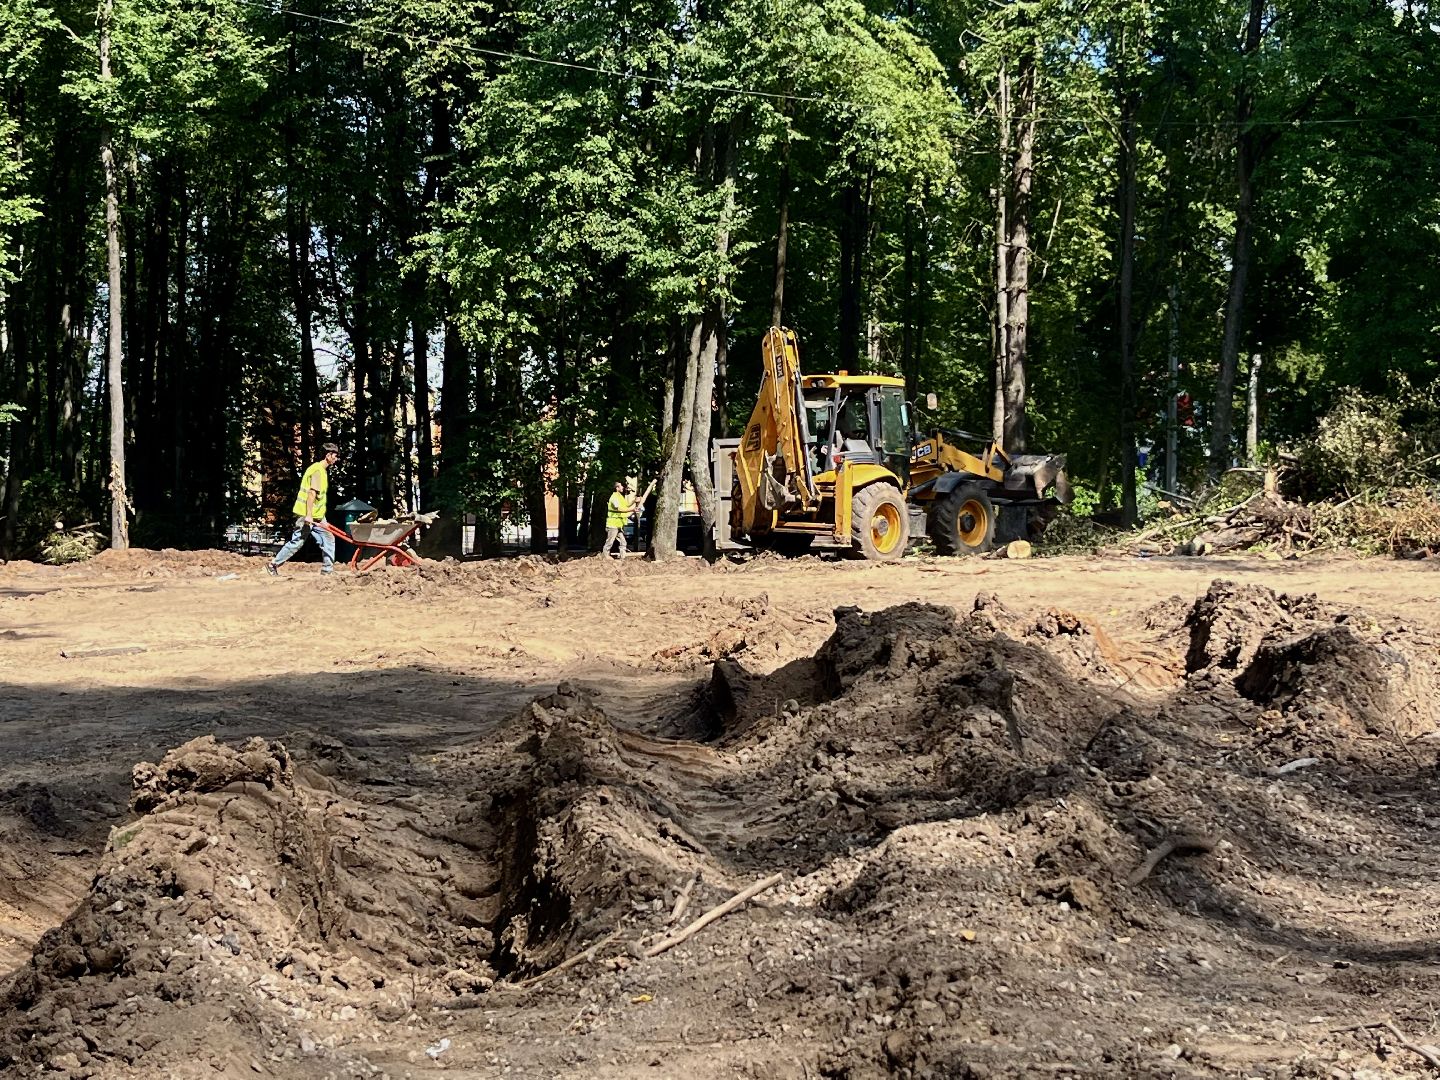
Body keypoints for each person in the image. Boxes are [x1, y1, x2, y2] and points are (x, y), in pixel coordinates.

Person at [267, 443, 340, 576]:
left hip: (318, 516)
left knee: (329, 538)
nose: (336, 459)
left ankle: (327, 570)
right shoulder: (317, 471)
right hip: (307, 514)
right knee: (297, 541)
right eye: (335, 456)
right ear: (328, 455)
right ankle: (273, 564)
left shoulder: (322, 471)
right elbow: (311, 494)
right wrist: (309, 515)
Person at [603, 480, 633, 558]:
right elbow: (619, 509)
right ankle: (605, 556)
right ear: (617, 488)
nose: (623, 487)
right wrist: (632, 510)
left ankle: (622, 557)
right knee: (610, 541)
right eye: (621, 486)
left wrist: (634, 501)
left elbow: (626, 505)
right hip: (613, 524)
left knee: (623, 542)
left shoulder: (620, 496)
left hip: (618, 524)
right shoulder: (614, 498)